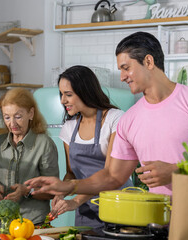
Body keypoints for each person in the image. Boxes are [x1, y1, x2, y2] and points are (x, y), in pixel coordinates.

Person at [25, 31, 188, 197]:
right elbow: (112, 177)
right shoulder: (129, 119)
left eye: (126, 68)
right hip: (156, 222)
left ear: (148, 61)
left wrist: (178, 171)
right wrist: (70, 186)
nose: (122, 77)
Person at [50, 65, 132, 231]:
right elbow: (71, 173)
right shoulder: (69, 127)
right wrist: (61, 193)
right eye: (61, 94)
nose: (62, 101)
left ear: (84, 92)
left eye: (68, 94)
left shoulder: (115, 119)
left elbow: (110, 175)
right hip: (86, 212)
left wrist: (75, 200)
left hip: (118, 206)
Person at [0, 88, 59, 225]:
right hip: (0, 222)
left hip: (32, 223)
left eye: (18, 116)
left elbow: (53, 190)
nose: (12, 124)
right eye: (7, 117)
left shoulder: (44, 144)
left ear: (31, 113)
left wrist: (27, 190)